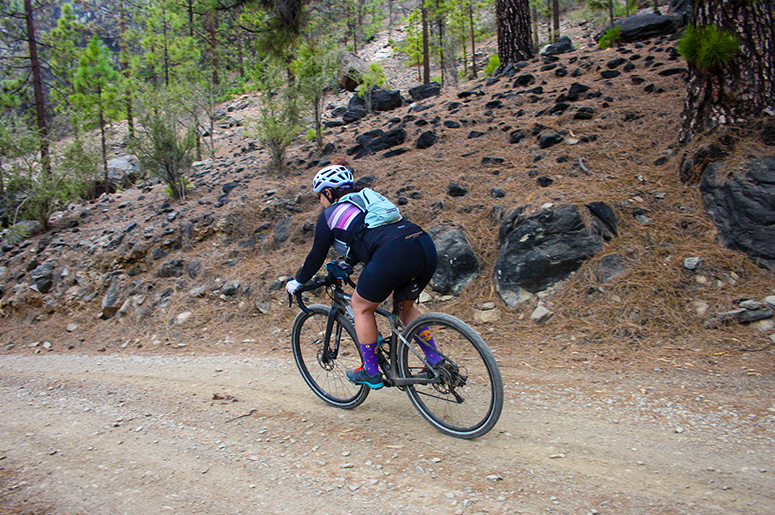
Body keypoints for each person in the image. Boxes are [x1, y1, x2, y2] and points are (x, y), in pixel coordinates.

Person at [286, 162, 440, 389]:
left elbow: (316, 256)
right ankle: (436, 361)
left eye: (320, 196)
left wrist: (299, 281)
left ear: (328, 192)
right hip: (423, 244)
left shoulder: (330, 215)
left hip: (392, 253)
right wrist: (348, 263)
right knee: (405, 308)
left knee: (361, 306)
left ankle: (371, 371)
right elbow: (369, 235)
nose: (321, 201)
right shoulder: (367, 200)